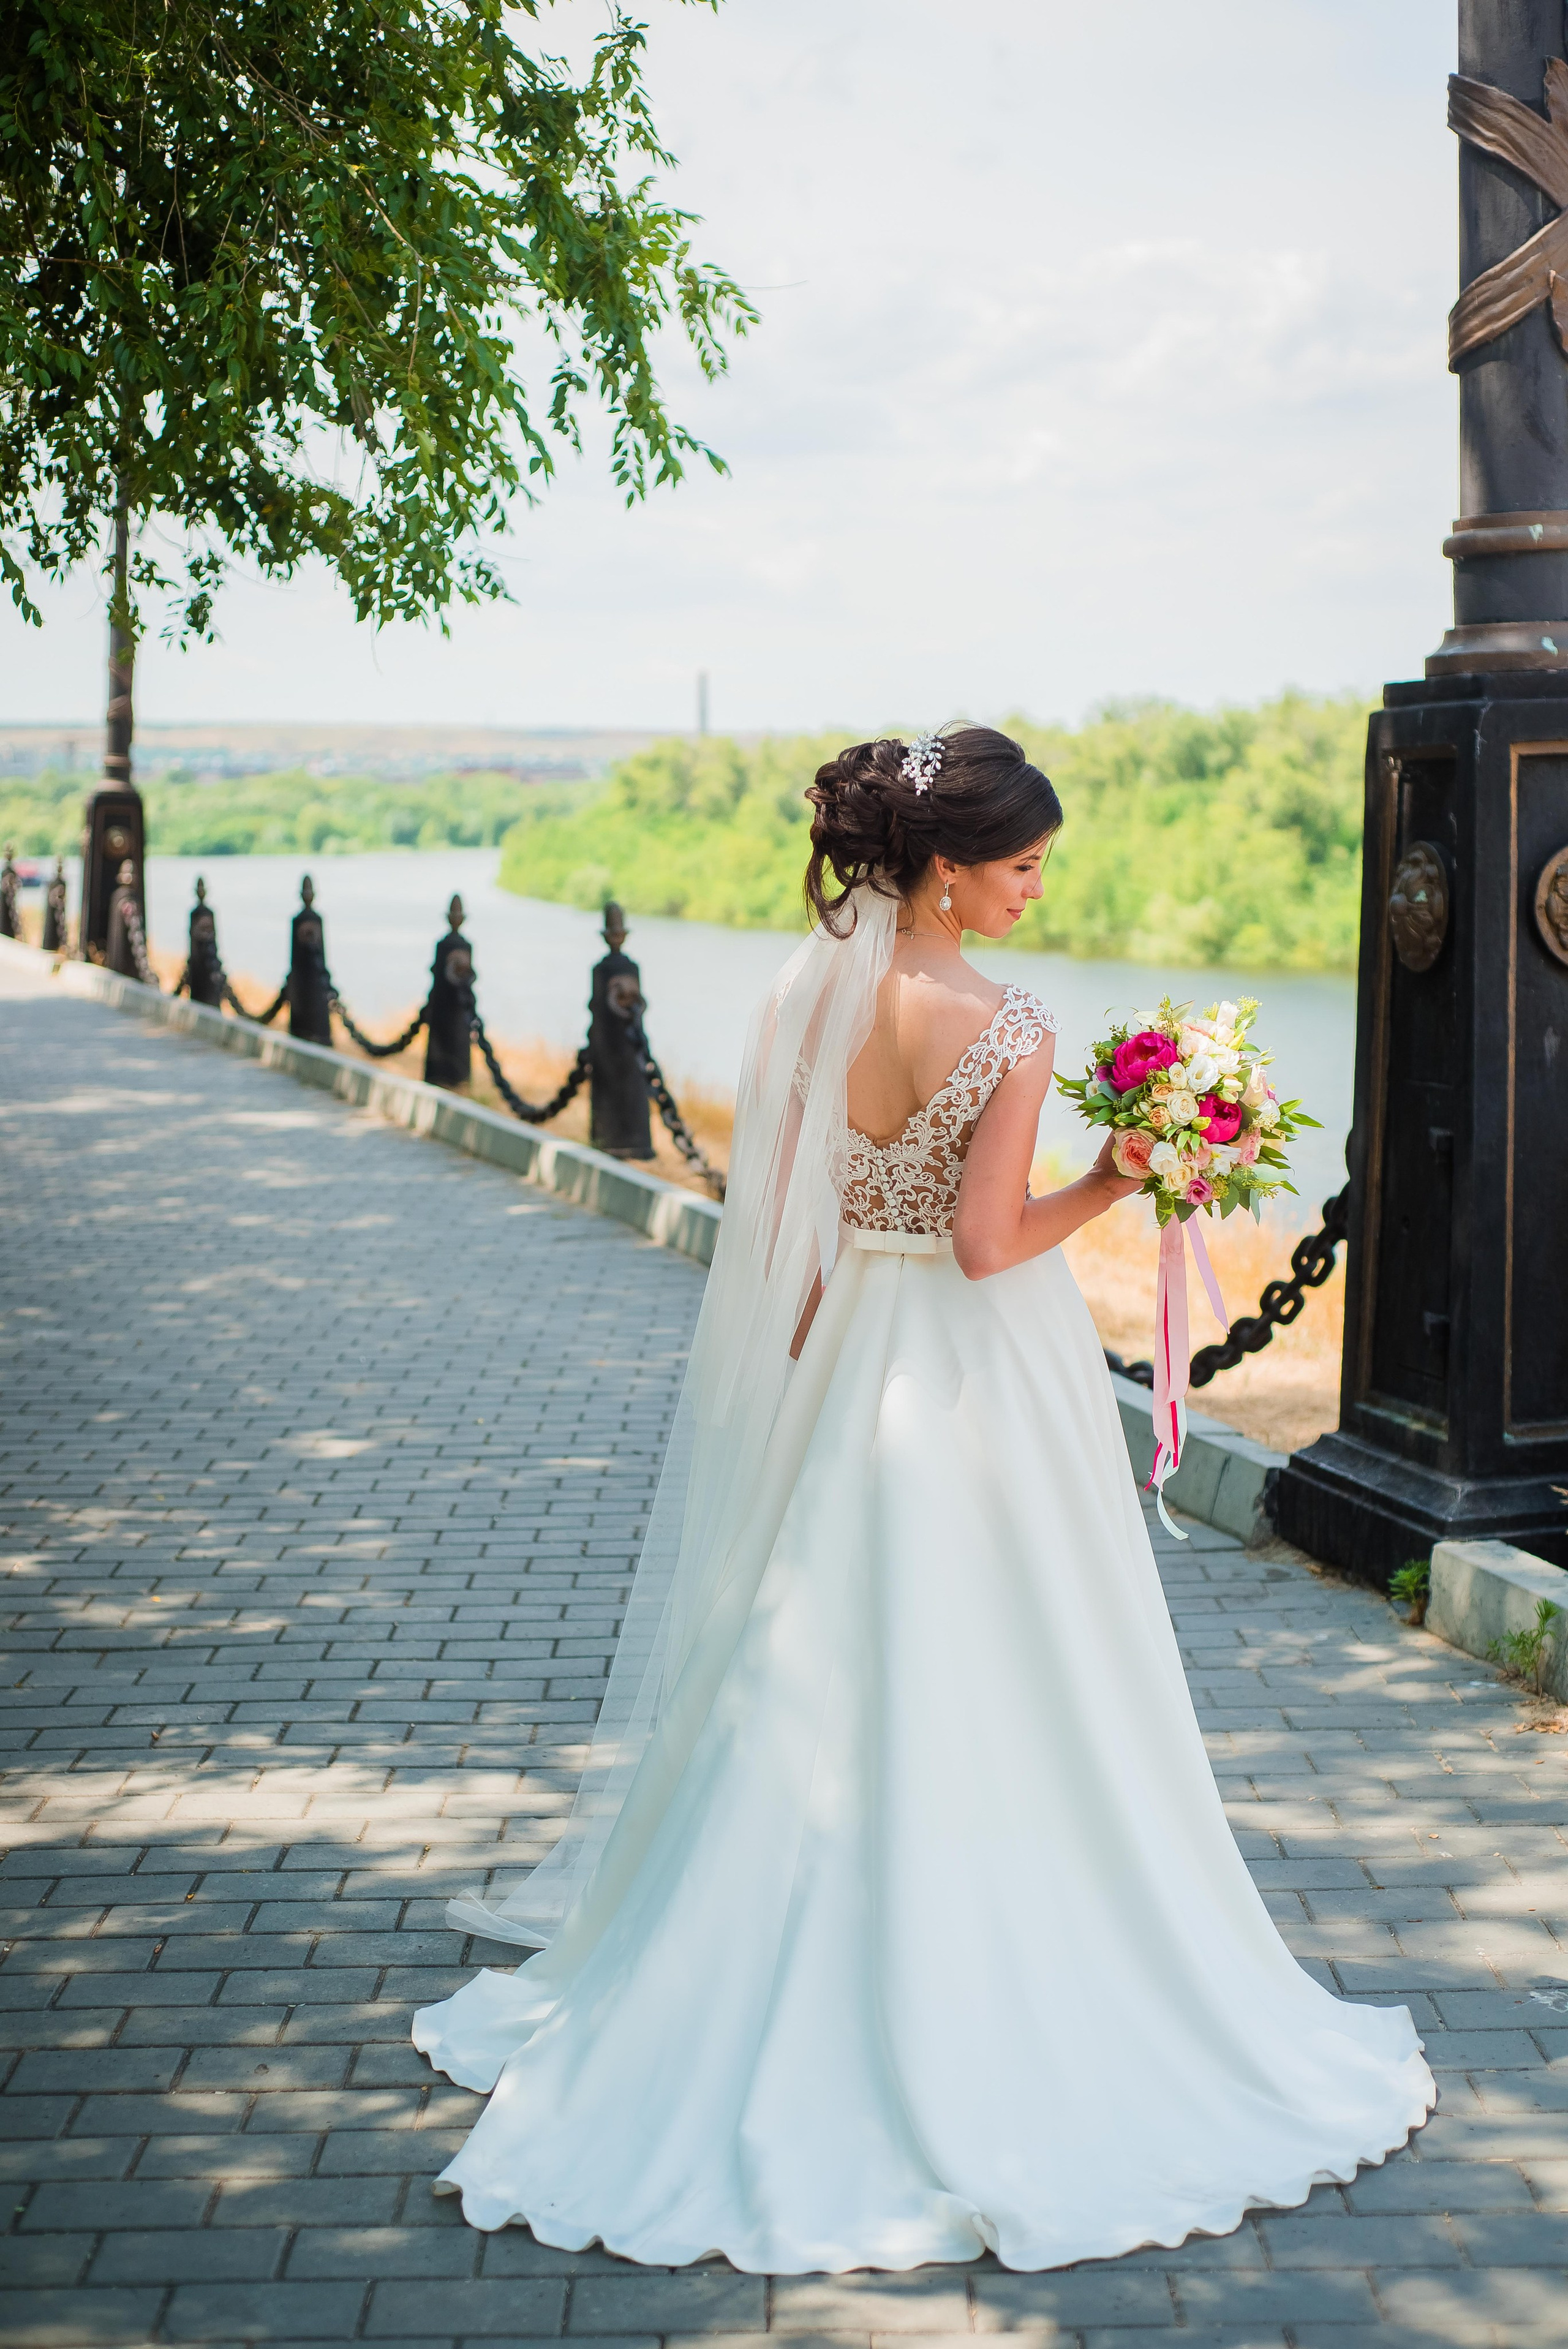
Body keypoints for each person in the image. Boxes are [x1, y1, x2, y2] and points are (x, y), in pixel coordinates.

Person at [413, 726, 1433, 2274]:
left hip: (855, 1367)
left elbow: (801, 1217)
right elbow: (983, 1242)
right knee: (1022, 1651)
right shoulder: (1003, 1022)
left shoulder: (804, 988)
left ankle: (752, 1955)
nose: (1037, 889)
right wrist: (1121, 1170)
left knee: (819, 1653)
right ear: (947, 869)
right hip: (974, 1372)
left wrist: (815, 1358)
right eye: (1022, 865)